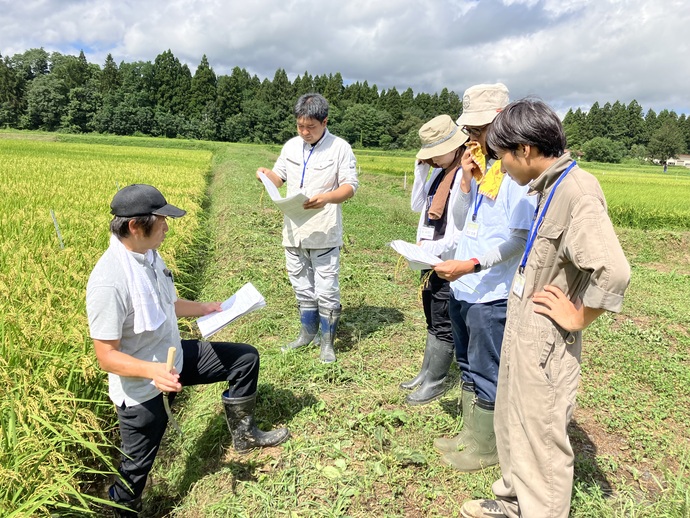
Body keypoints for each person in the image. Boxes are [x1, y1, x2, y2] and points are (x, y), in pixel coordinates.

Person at [458, 99, 630, 518]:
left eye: (503, 158)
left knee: (541, 429)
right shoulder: (546, 188)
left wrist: (578, 316)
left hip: (547, 338)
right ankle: (515, 500)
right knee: (514, 416)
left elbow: (614, 270)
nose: (501, 167)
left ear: (526, 150)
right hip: (523, 322)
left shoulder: (577, 190)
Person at [86, 184, 289, 517]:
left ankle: (244, 435)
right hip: (143, 388)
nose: (167, 227)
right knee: (135, 471)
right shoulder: (109, 282)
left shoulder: (148, 256)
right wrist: (152, 371)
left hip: (175, 357)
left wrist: (207, 308)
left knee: (245, 358)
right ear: (136, 227)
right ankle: (123, 510)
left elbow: (168, 303)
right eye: (161, 221)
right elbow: (106, 356)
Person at [432, 83, 535, 473]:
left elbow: (518, 241)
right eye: (470, 131)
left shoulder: (516, 175)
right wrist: (464, 180)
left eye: (478, 130)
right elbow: (461, 221)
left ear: (501, 120)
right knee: (466, 362)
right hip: (463, 287)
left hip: (490, 293)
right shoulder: (486, 168)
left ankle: (486, 447)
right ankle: (468, 435)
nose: (472, 138)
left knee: (486, 368)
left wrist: (472, 264)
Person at [257, 93, 358, 363]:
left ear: (324, 122)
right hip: (293, 230)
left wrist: (326, 197)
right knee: (301, 285)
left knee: (326, 289)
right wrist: (266, 176)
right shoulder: (291, 147)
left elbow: (350, 187)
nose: (304, 132)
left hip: (323, 230)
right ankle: (306, 334)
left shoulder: (340, 148)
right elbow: (279, 178)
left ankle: (327, 342)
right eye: (300, 126)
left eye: (310, 127)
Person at [399, 114, 469, 405]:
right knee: (431, 316)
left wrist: (432, 248)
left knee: (442, 321)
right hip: (429, 259)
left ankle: (435, 382)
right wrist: (420, 172)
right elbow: (418, 204)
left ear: (455, 147)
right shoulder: (441, 172)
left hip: (446, 262)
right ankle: (425, 373)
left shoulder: (464, 176)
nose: (433, 159)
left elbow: (460, 231)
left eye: (436, 153)